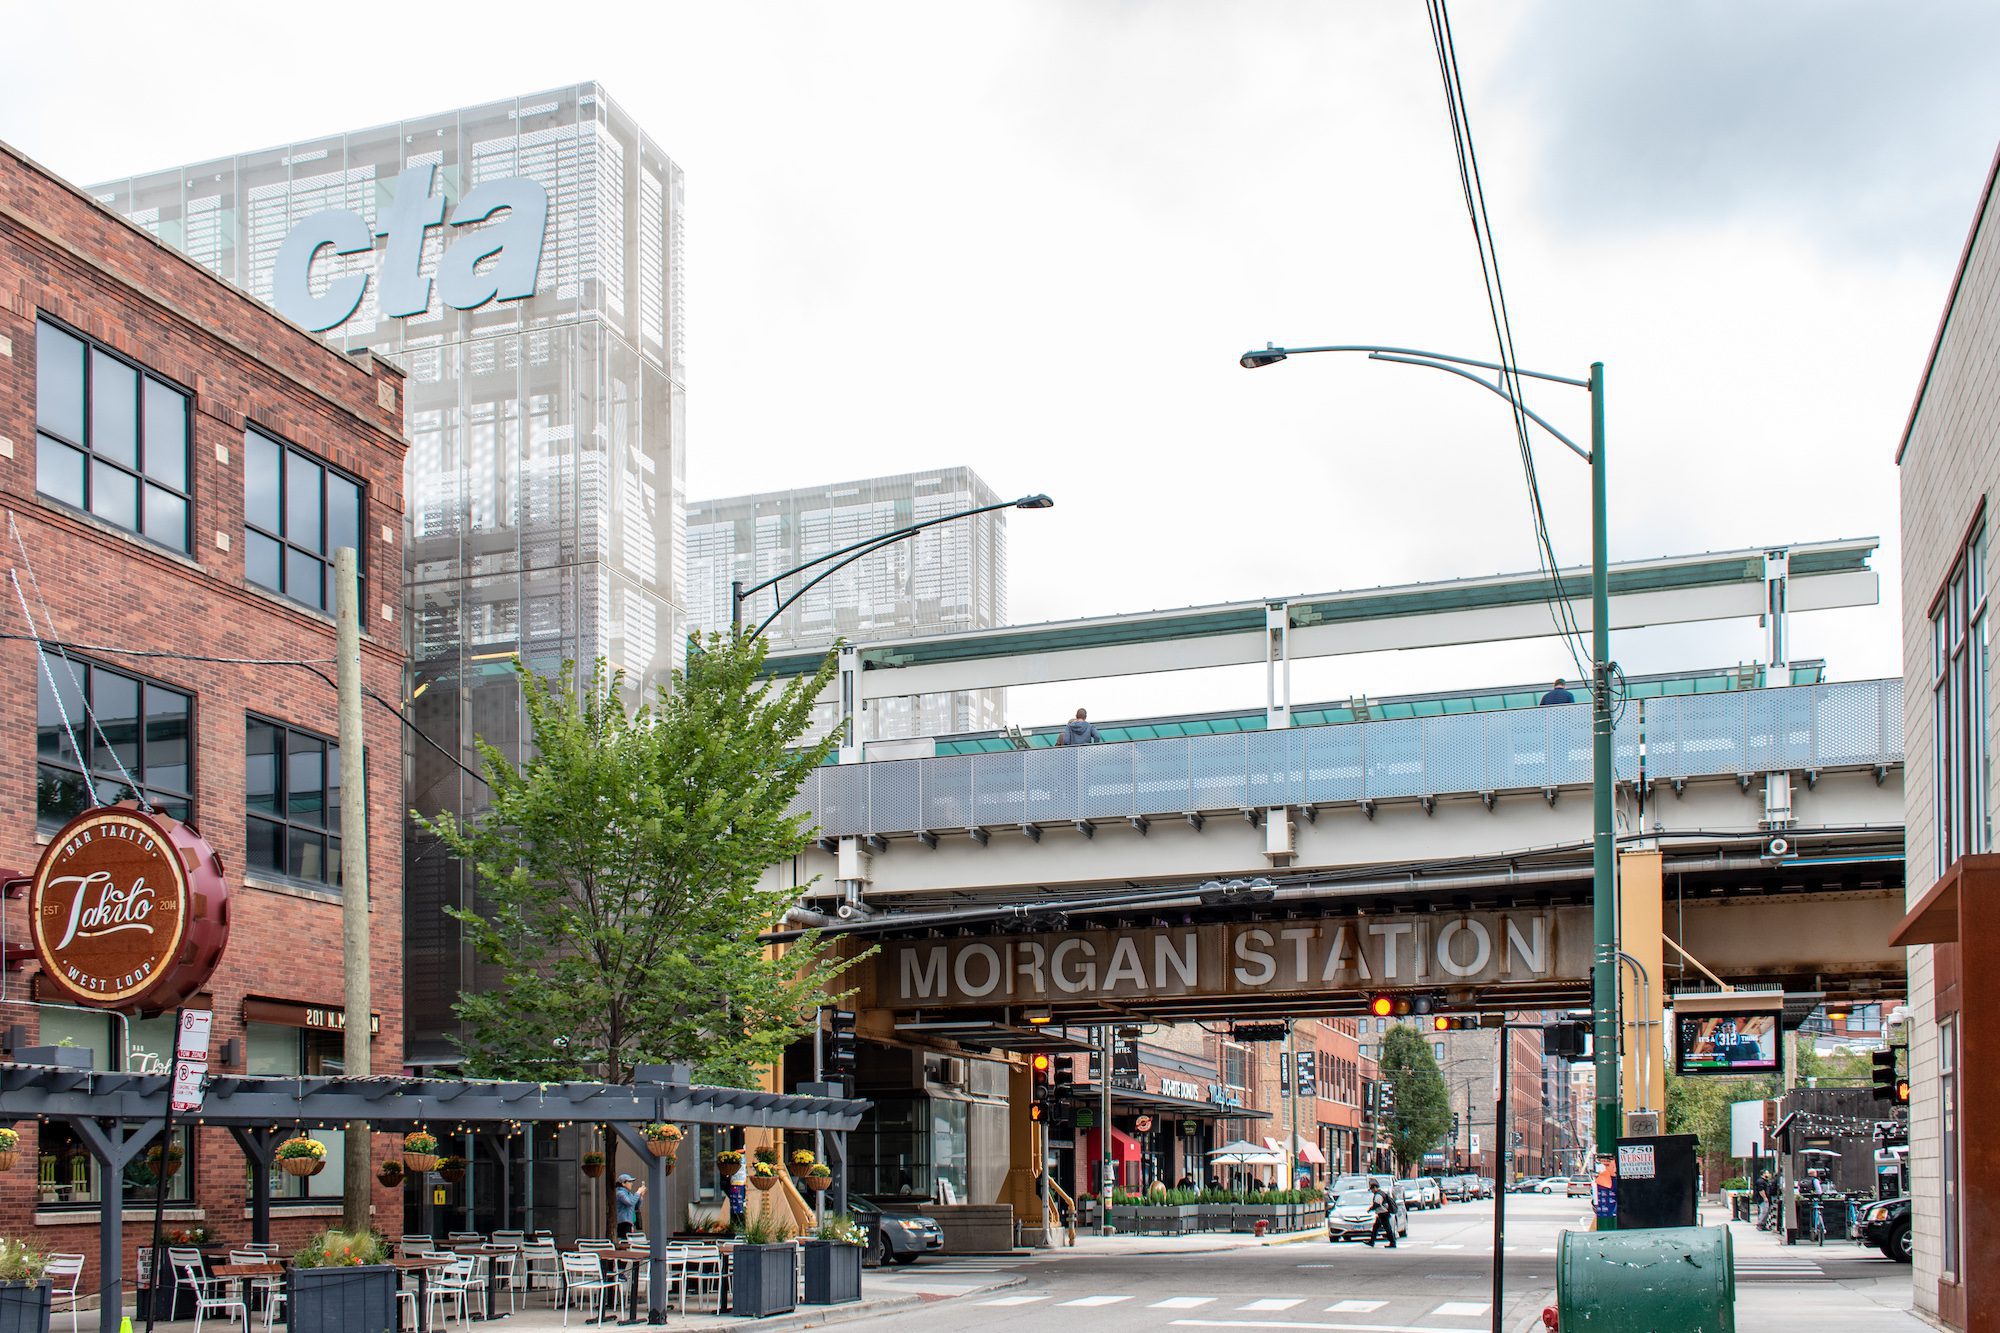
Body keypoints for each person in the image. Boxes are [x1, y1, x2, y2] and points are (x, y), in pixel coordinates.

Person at [1363, 1178, 1398, 1249]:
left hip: (1383, 1213)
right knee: (1376, 1228)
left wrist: (1371, 1209)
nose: (1372, 1191)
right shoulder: (1381, 1193)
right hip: (1382, 1213)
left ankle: (1392, 1242)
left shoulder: (1378, 1195)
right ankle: (1372, 1241)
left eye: (1372, 1189)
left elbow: (1377, 1204)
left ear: (1375, 1188)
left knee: (1387, 1228)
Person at [614, 1172, 645, 1241]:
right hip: (624, 1222)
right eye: (629, 1181)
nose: (631, 1184)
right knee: (625, 1241)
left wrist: (641, 1196)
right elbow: (630, 1202)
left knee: (629, 1241)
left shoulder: (629, 1194)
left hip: (630, 1221)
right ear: (623, 1183)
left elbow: (636, 1206)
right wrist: (638, 1192)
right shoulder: (620, 1193)